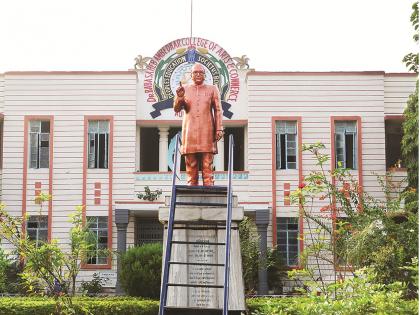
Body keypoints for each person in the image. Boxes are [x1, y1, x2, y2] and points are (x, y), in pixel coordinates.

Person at [173, 63, 224, 186]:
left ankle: (209, 186)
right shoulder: (184, 89)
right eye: (195, 72)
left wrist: (219, 128)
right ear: (191, 75)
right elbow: (176, 108)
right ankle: (191, 187)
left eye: (201, 72)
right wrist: (179, 98)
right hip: (189, 130)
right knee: (191, 163)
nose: (198, 75)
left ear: (205, 75)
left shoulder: (212, 89)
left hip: (207, 130)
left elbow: (218, 110)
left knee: (207, 163)